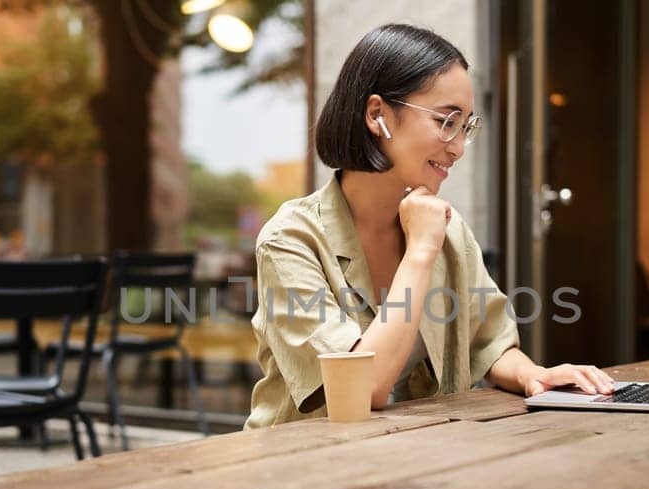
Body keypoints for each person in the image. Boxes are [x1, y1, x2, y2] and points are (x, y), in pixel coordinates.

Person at [245, 24, 615, 429]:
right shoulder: (290, 240)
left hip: (419, 457)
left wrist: (533, 375)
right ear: (377, 115)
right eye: (446, 121)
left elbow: (488, 343)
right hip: (298, 469)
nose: (456, 147)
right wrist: (420, 252)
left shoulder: (447, 230)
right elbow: (361, 389)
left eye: (466, 127)